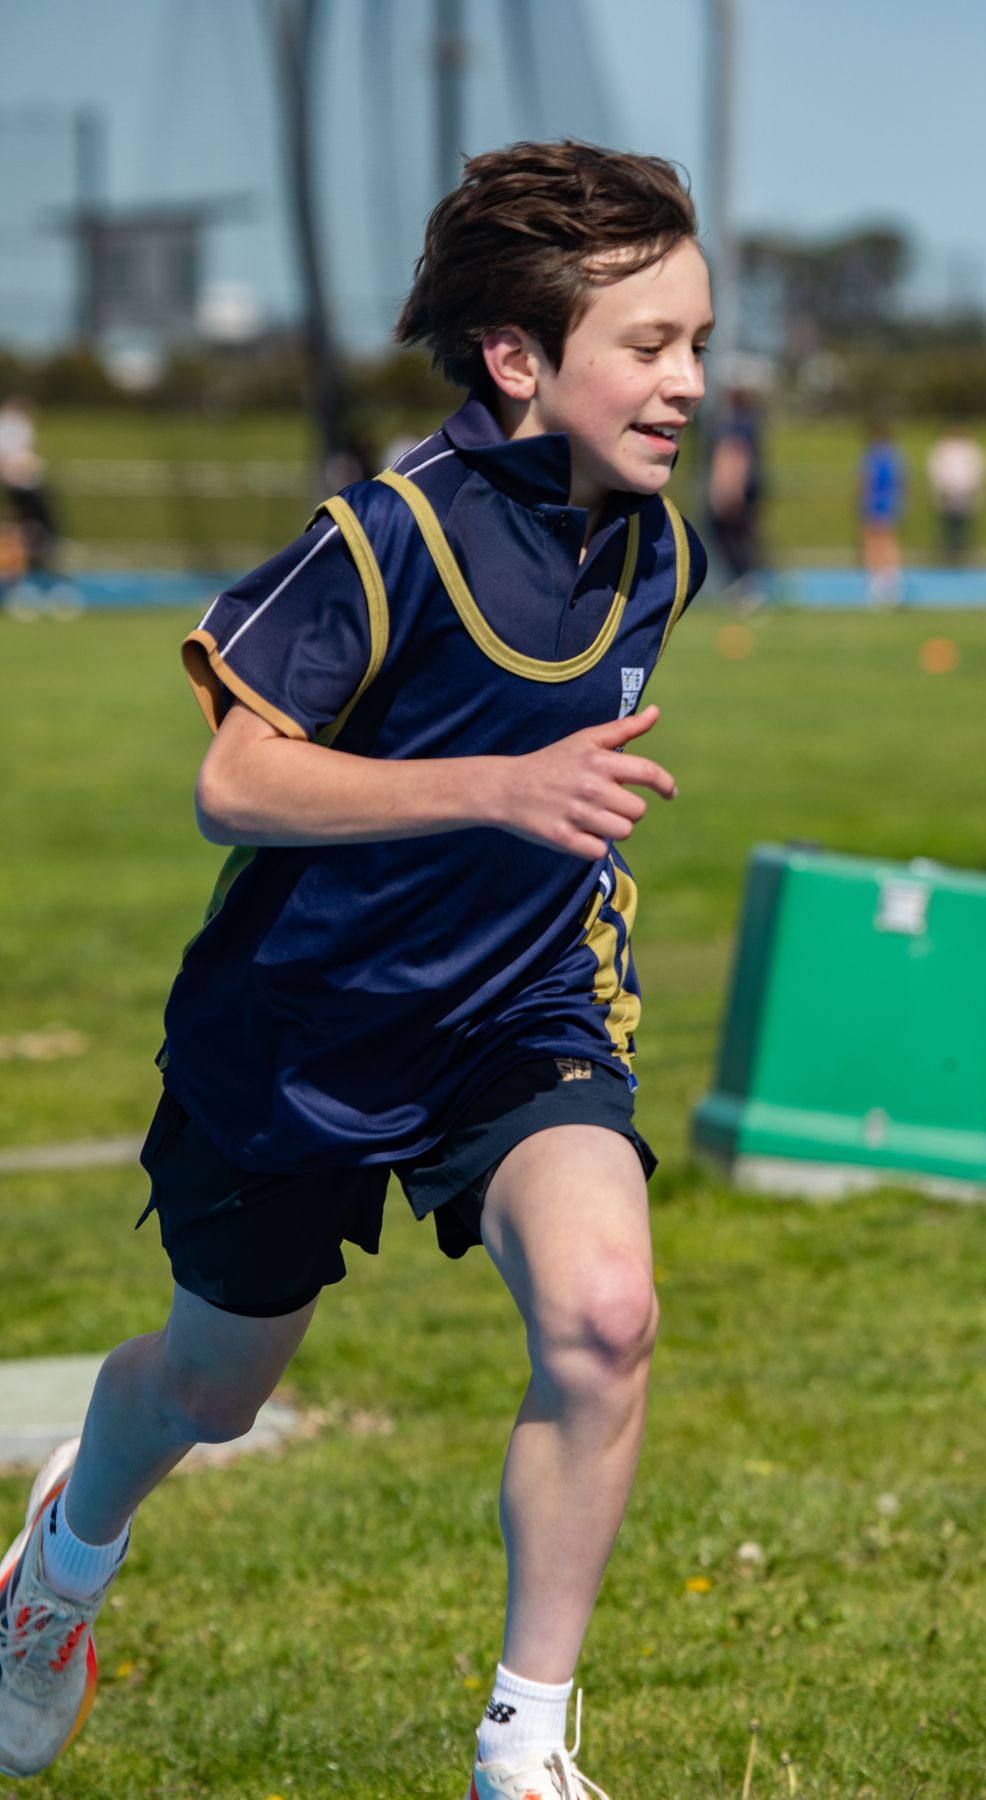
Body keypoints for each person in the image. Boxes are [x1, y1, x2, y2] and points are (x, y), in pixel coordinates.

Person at [0, 140, 711, 1800]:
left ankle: (524, 1746)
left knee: (606, 1316)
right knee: (210, 1389)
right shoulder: (389, 536)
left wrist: (546, 841)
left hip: (520, 1011)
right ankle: (61, 1563)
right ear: (518, 356)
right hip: (300, 1030)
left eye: (697, 340)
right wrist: (498, 791)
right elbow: (234, 782)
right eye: (650, 344)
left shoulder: (657, 548)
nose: (688, 380)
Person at [706, 356, 767, 602]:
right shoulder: (749, 417)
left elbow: (734, 454)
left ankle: (742, 586)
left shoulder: (734, 420)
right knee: (742, 536)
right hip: (750, 486)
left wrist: (729, 488)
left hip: (737, 486)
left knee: (731, 536)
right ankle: (743, 584)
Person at [0, 394, 60, 578]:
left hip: (24, 481)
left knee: (31, 522)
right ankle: (30, 557)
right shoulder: (13, 425)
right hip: (22, 482)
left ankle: (33, 555)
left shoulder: (16, 425)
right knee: (31, 521)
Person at [857, 417, 905, 607]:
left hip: (875, 505)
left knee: (874, 543)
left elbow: (865, 481)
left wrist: (862, 502)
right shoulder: (895, 456)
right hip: (890, 504)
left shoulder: (872, 456)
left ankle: (878, 585)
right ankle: (891, 584)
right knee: (888, 542)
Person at [926, 420, 986, 564]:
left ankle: (963, 553)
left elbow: (979, 469)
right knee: (947, 524)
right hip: (947, 491)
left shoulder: (971, 449)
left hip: (965, 491)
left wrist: (972, 487)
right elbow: (935, 470)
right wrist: (941, 487)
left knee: (964, 524)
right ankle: (947, 553)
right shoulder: (941, 449)